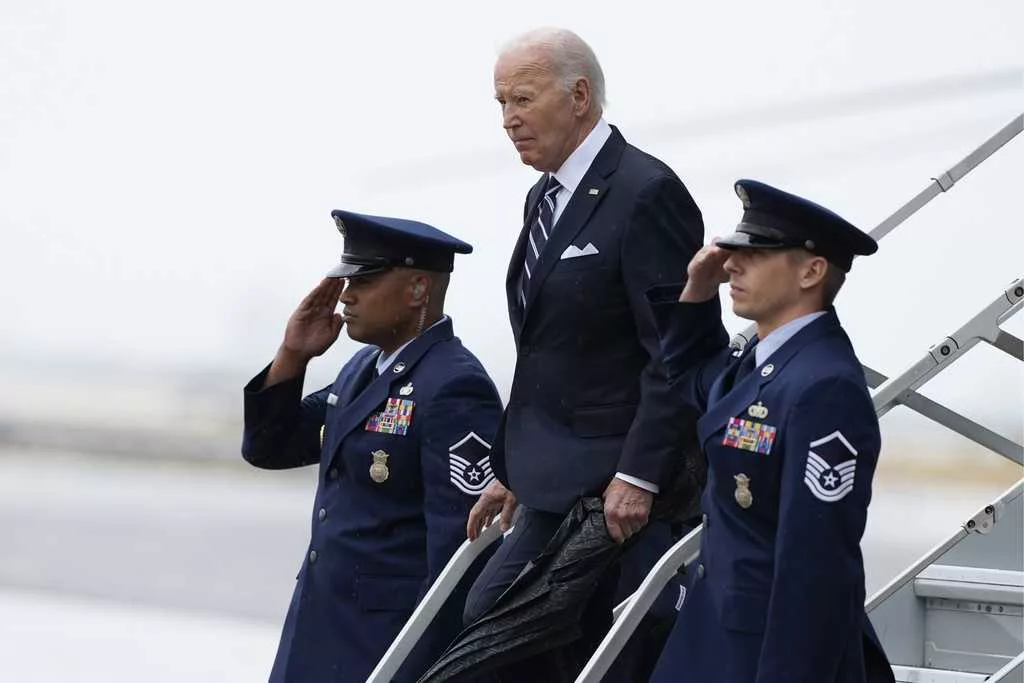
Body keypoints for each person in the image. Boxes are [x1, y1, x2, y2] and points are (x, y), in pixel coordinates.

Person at [462, 26, 711, 677]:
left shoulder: (645, 192)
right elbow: (553, 353)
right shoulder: (544, 198)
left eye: (522, 99)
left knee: (582, 646)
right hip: (553, 481)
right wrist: (513, 466)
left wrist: (641, 473)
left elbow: (678, 351)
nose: (510, 119)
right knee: (494, 627)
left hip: (621, 494)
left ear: (578, 95)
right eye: (501, 104)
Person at [647, 179, 894, 682]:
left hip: (765, 650)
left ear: (811, 270)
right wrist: (695, 292)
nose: (731, 264)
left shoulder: (824, 385)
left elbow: (816, 565)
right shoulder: (763, 363)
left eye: (755, 254)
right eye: (733, 251)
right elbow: (691, 382)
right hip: (716, 632)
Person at [241, 210, 503, 683]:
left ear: (418, 289)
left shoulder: (453, 385)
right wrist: (293, 354)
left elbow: (461, 555)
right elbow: (269, 447)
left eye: (364, 280)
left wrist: (428, 667)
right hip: (319, 631)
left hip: (385, 647)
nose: (346, 295)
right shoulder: (362, 369)